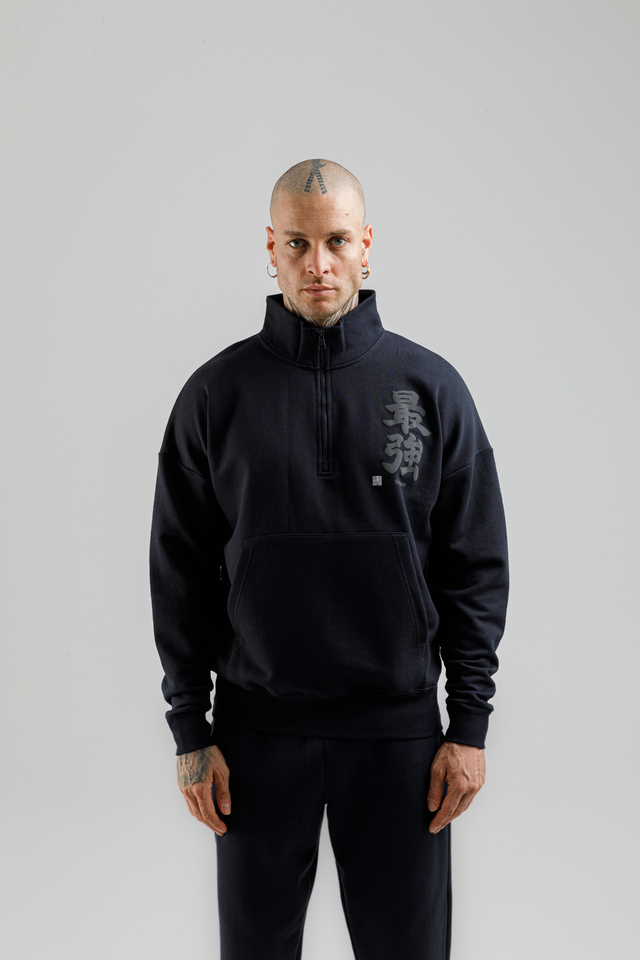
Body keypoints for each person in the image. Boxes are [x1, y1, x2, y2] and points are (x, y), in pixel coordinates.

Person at [149, 158, 509, 960]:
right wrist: (190, 729)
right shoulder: (215, 395)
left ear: (366, 245)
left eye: (337, 241)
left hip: (399, 738)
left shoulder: (430, 388)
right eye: (298, 243)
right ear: (270, 248)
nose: (318, 264)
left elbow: (474, 564)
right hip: (254, 736)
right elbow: (179, 572)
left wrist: (470, 723)